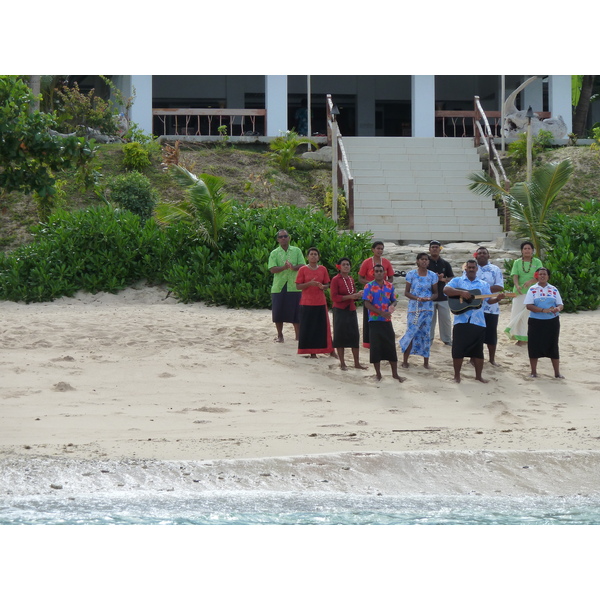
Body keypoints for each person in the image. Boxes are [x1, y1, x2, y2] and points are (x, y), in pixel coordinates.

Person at [444, 259, 505, 383]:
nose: (471, 269)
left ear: (477, 269)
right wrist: (461, 292)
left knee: (478, 351)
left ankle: (478, 376)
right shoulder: (457, 281)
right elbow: (446, 290)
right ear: (465, 269)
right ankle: (457, 376)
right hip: (461, 320)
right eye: (469, 267)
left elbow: (489, 300)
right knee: (458, 349)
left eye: (473, 267)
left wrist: (497, 299)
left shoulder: (483, 284)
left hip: (478, 321)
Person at [362, 264, 406, 382]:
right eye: (376, 271)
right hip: (374, 321)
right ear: (373, 273)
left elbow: (394, 300)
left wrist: (392, 306)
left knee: (390, 346)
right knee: (375, 347)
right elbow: (367, 303)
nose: (379, 273)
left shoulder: (389, 286)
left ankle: (395, 374)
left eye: (381, 271)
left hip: (387, 320)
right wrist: (381, 313)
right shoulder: (369, 286)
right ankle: (378, 374)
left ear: (384, 272)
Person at [398, 253, 438, 369]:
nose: (424, 261)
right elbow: (406, 292)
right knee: (411, 332)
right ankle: (405, 360)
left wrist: (430, 298)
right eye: (422, 259)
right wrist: (417, 298)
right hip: (414, 309)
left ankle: (426, 362)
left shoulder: (432, 276)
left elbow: (436, 293)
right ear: (417, 261)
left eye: (426, 259)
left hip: (427, 309)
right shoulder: (411, 274)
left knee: (425, 334)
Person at [525, 267, 564, 379]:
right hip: (536, 322)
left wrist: (558, 309)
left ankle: (557, 373)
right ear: (537, 276)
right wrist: (543, 310)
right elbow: (528, 306)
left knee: (553, 345)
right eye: (540, 274)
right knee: (533, 345)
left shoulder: (554, 289)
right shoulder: (532, 289)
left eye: (544, 274)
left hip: (552, 322)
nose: (542, 276)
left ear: (548, 276)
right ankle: (533, 372)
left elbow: (560, 304)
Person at [295, 247, 335, 358]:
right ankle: (312, 353)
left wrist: (323, 287)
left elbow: (327, 284)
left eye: (315, 254)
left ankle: (331, 350)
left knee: (323, 327)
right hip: (306, 302)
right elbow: (298, 286)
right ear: (307, 257)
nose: (313, 256)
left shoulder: (323, 269)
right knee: (308, 327)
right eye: (311, 254)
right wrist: (309, 284)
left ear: (318, 257)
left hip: (320, 302)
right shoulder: (302, 269)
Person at [268, 229, 305, 343]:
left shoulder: (296, 250)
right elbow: (272, 269)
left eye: (285, 236)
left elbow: (303, 265)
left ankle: (298, 336)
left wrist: (293, 267)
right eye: (281, 237)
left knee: (296, 312)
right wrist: (284, 268)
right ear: (278, 240)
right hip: (279, 286)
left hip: (294, 285)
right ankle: (280, 336)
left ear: (289, 238)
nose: (283, 238)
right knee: (278, 312)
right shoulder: (274, 253)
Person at [330, 258, 367, 371]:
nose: (346, 266)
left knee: (354, 336)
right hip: (340, 310)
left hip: (351, 309)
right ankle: (342, 363)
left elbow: (352, 295)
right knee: (340, 336)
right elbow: (334, 297)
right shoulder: (335, 279)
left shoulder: (350, 279)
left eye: (348, 264)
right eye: (344, 264)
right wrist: (350, 297)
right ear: (339, 267)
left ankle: (356, 363)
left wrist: (357, 295)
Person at [505, 241, 543, 346]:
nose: (527, 250)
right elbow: (515, 275)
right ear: (521, 251)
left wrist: (531, 281)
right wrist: (517, 285)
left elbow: (540, 276)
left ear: (532, 251)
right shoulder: (517, 262)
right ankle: (519, 338)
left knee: (529, 316)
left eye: (529, 248)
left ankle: (529, 338)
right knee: (517, 314)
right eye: (525, 249)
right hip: (519, 292)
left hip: (534, 292)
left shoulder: (537, 262)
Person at [358, 241, 394, 349]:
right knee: (368, 315)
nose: (380, 251)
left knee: (384, 316)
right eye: (378, 248)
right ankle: (368, 342)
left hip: (383, 292)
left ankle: (383, 339)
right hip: (370, 292)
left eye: (382, 249)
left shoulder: (386, 262)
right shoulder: (367, 262)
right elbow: (360, 278)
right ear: (373, 249)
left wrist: (384, 284)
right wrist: (372, 285)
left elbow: (391, 277)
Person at [474, 246, 505, 365]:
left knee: (491, 335)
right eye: (479, 253)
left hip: (492, 308)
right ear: (476, 256)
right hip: (474, 308)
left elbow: (499, 286)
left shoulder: (495, 269)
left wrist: (482, 290)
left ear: (488, 256)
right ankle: (473, 358)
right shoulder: (471, 268)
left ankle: (492, 359)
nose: (482, 255)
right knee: (475, 334)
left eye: (484, 253)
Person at [427, 240, 454, 346]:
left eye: (436, 247)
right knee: (430, 320)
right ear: (429, 249)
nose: (434, 249)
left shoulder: (445, 264)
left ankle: (447, 339)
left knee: (446, 320)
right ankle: (429, 339)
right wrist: (433, 278)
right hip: (429, 296)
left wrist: (443, 279)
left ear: (440, 249)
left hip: (443, 297)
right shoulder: (426, 262)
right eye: (432, 247)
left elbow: (452, 278)